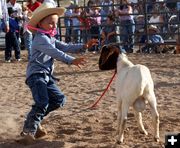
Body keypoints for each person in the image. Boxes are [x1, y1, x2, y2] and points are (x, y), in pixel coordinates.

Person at [20, 3, 98, 143]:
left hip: (46, 76)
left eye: (55, 23)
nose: (54, 26)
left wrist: (84, 46)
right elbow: (56, 52)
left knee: (59, 100)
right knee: (42, 102)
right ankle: (29, 130)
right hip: (36, 75)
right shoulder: (40, 39)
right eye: (50, 23)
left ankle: (34, 121)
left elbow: (65, 46)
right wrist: (71, 60)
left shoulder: (49, 38)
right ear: (40, 23)